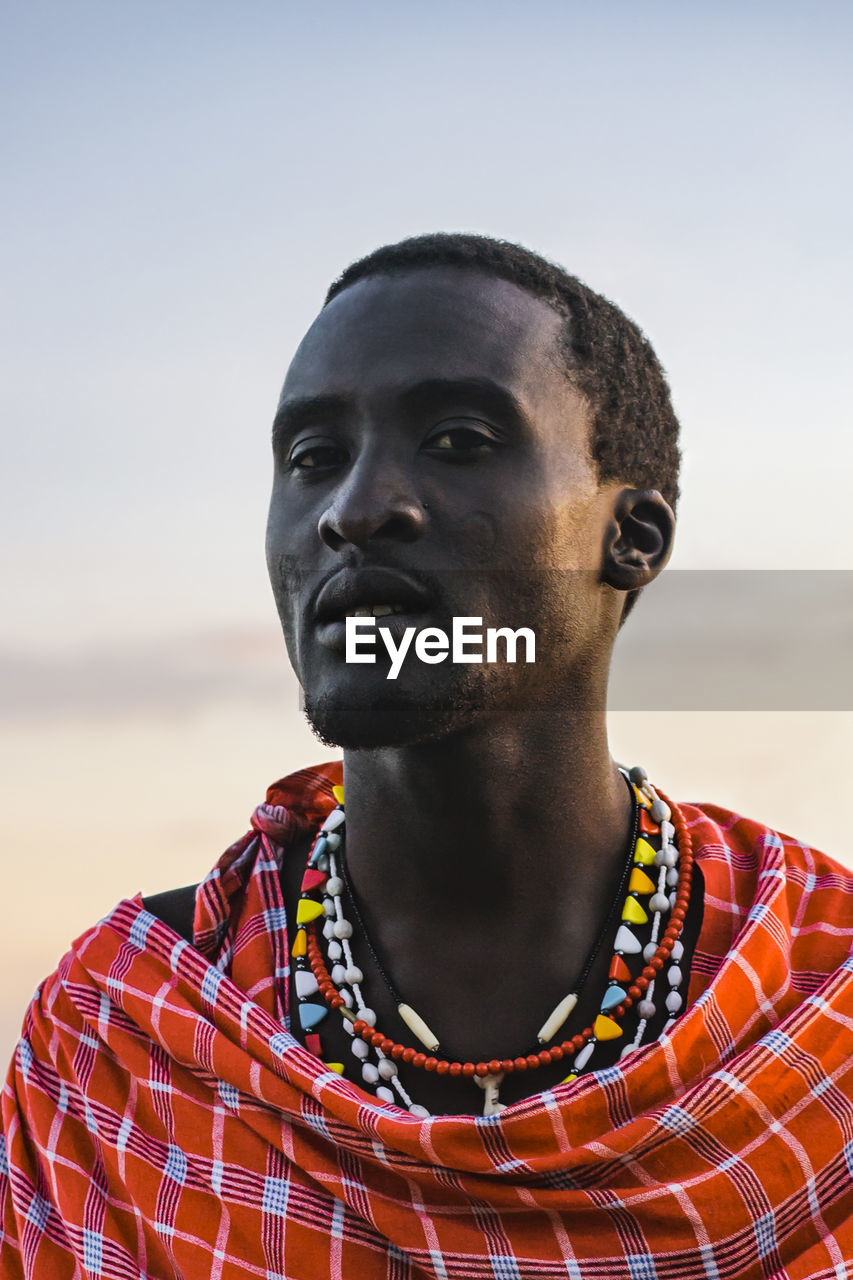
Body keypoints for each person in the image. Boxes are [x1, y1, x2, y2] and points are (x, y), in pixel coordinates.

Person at [2, 234, 851, 1279]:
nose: (355, 509)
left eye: (456, 440)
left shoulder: (819, 995)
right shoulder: (127, 1037)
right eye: (312, 458)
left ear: (631, 536)